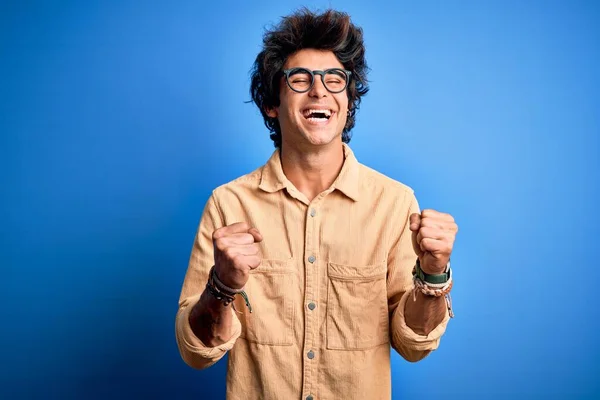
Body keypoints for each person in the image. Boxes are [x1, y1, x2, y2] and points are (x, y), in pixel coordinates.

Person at [175, 8, 458, 400]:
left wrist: (433, 274)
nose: (319, 90)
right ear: (273, 103)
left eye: (334, 79)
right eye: (300, 79)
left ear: (347, 100)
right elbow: (197, 352)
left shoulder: (395, 204)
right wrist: (221, 286)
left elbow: (414, 345)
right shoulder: (229, 205)